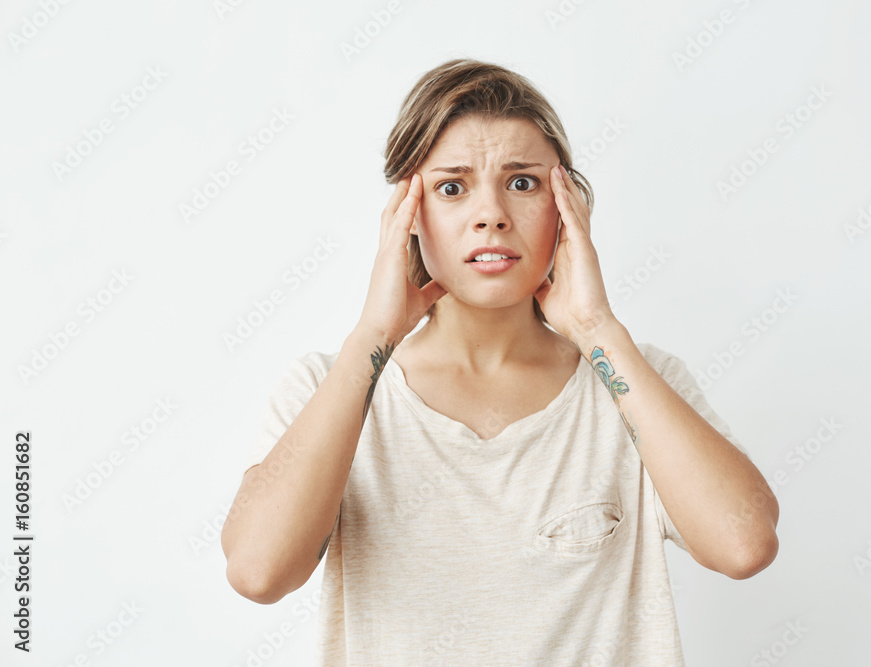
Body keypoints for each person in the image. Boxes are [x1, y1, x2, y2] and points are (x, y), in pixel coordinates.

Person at [221, 58, 779, 665]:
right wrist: (373, 336)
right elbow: (258, 572)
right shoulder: (324, 387)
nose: (491, 215)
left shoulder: (638, 383)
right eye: (452, 187)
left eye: (522, 182)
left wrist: (597, 330)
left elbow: (743, 545)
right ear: (408, 215)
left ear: (569, 207)